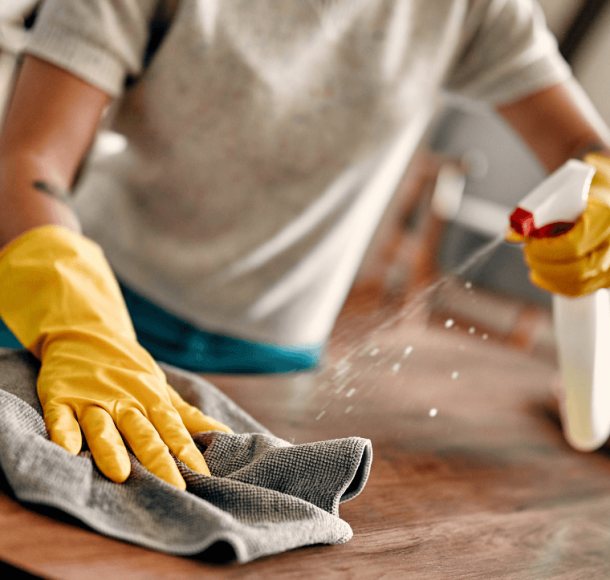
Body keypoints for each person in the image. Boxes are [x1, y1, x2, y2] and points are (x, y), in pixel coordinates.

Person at [1, 0, 609, 489]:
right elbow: (28, 157)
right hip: (78, 321)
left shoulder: (473, 7)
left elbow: (587, 147)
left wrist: (602, 195)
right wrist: (82, 327)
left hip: (274, 368)